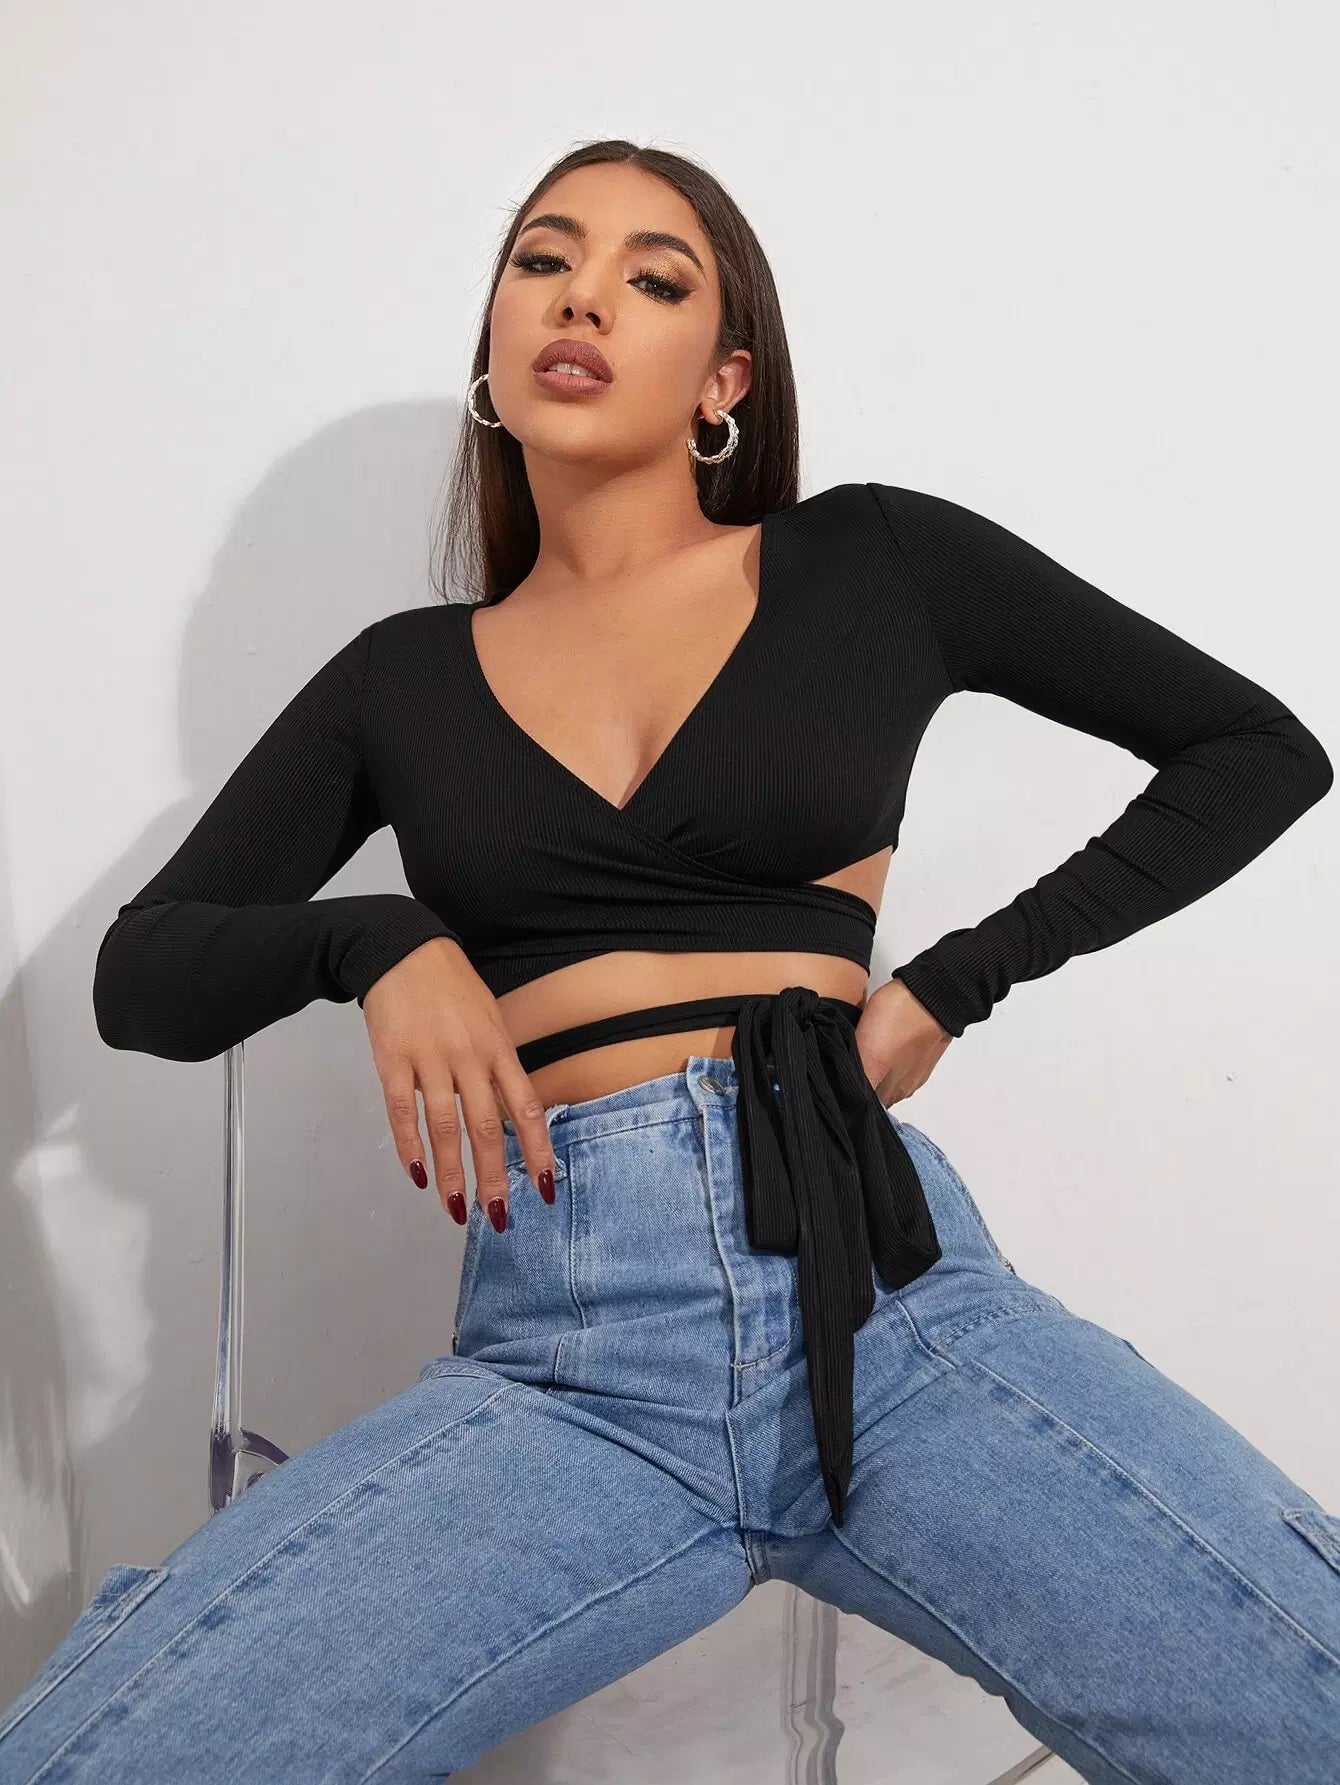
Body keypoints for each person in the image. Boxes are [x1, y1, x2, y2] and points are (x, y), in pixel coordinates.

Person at [2, 138, 1335, 1785]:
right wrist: (377, 937)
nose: (582, 298)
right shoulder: (399, 682)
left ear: (724, 381)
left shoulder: (874, 563)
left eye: (652, 277)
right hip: (570, 1355)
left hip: (889, 1307)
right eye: (543, 260)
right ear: (497, 342)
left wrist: (955, 981)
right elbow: (141, 975)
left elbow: (1254, 750)